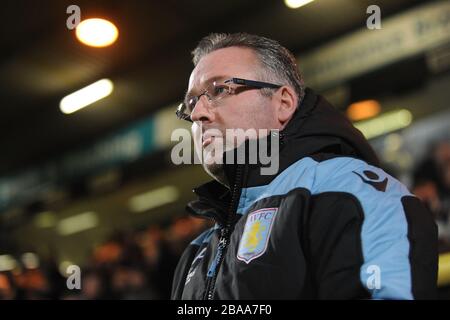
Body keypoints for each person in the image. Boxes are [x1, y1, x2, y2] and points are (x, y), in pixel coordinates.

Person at [171, 33, 438, 300]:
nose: (197, 115)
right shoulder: (198, 249)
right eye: (191, 102)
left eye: (219, 89)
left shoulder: (351, 193)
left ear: (283, 102)